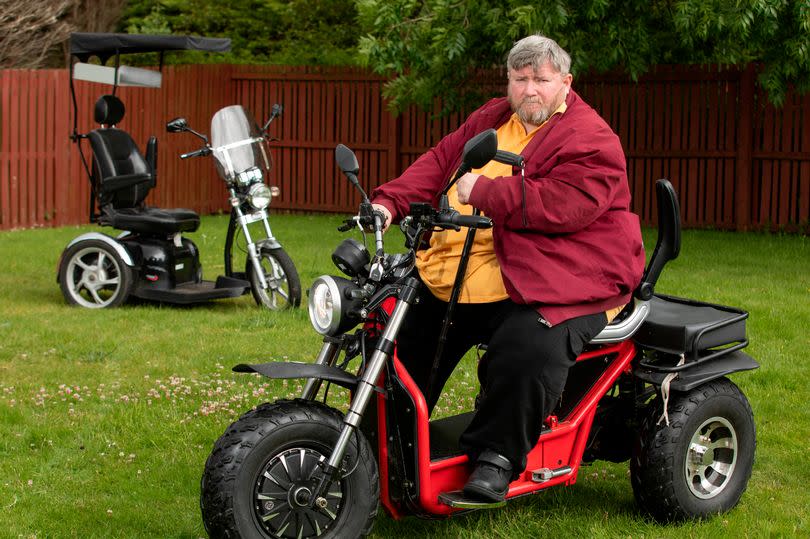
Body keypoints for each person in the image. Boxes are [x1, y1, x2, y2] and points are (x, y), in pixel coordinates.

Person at [369, 34, 645, 502]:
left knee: (528, 344)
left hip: (571, 273)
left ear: (565, 82)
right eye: (521, 79)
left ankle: (495, 459)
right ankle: (389, 445)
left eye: (541, 79)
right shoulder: (495, 116)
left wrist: (483, 193)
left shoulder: (592, 137)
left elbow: (566, 205)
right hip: (488, 265)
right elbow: (442, 161)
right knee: (409, 333)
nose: (529, 90)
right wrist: (390, 201)